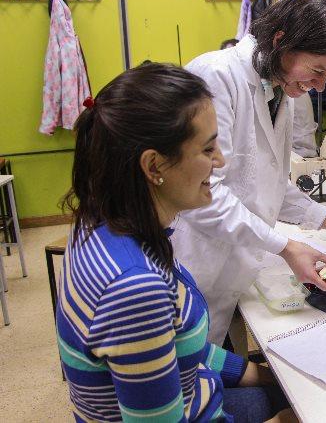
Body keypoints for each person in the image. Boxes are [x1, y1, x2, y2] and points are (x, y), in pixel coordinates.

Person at [57, 64, 294, 423]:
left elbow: (185, 347)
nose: (220, 162)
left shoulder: (104, 221)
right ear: (154, 166)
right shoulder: (135, 286)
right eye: (208, 149)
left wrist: (265, 377)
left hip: (195, 393)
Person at [173, 0, 326, 344]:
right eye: (317, 70)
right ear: (281, 40)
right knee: (184, 378)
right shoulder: (216, 77)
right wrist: (286, 247)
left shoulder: (280, 88)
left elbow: (267, 181)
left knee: (213, 361)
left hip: (233, 263)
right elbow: (202, 192)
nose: (320, 86)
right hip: (196, 260)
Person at [220, 37, 318, 158]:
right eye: (318, 70)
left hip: (298, 160)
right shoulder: (222, 77)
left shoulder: (293, 89)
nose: (320, 86)